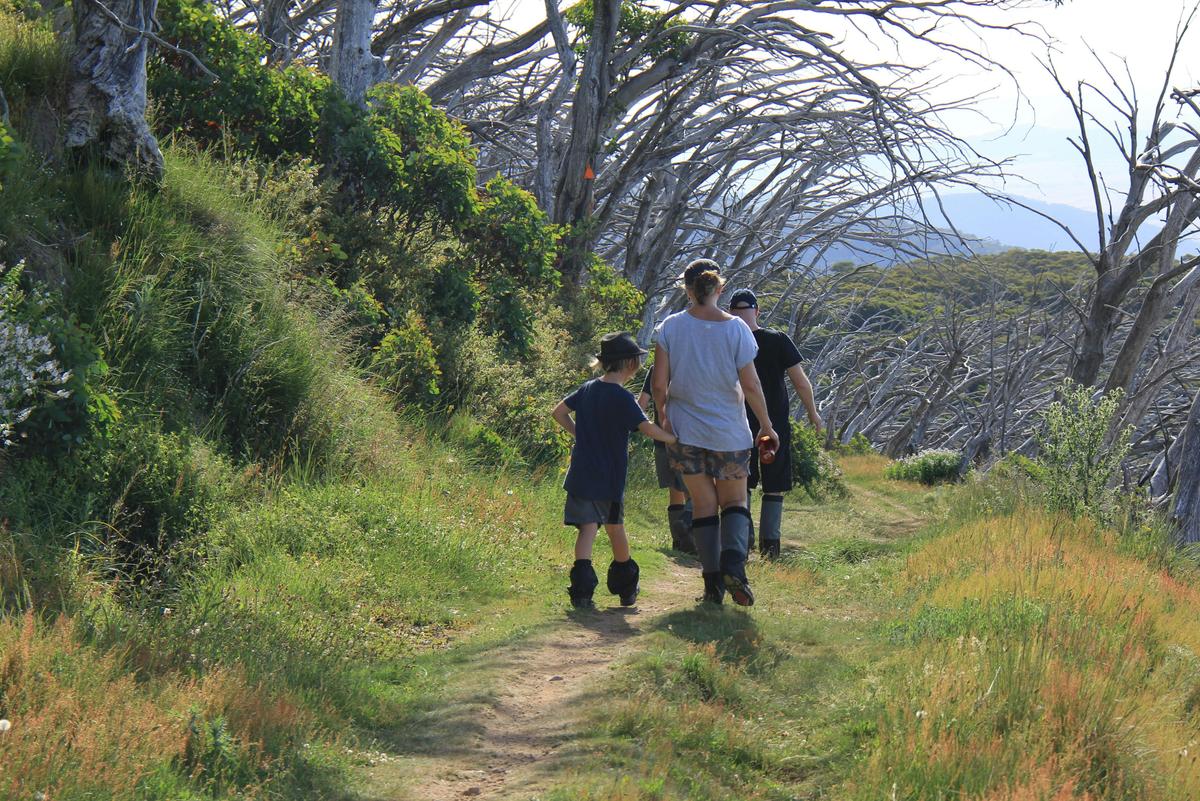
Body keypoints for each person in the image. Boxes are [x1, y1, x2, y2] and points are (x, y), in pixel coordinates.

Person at [651, 259, 778, 606]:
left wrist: (664, 418)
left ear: (687, 290)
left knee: (704, 505)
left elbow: (659, 383)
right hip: (729, 433)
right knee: (735, 502)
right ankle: (734, 566)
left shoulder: (671, 327)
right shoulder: (736, 329)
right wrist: (766, 425)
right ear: (719, 289)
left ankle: (711, 585)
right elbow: (750, 384)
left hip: (685, 431)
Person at [552, 332, 677, 609]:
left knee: (586, 531)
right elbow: (646, 429)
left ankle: (582, 592)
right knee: (615, 529)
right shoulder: (623, 398)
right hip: (608, 479)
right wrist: (673, 439)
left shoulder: (587, 389)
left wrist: (579, 435)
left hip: (582, 474)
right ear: (631, 364)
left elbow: (558, 412)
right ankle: (626, 586)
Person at [728, 289, 823, 560]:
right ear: (757, 311)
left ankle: (741, 544)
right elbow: (800, 381)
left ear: (731, 312)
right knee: (774, 484)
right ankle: (771, 549)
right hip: (775, 425)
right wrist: (813, 413)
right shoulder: (777, 340)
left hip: (736, 421)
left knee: (741, 482)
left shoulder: (728, 339)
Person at [637, 370, 695, 554]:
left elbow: (641, 405)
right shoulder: (690, 360)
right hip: (690, 438)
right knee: (694, 493)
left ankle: (678, 543)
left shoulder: (656, 369)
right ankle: (691, 540)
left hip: (662, 440)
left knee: (675, 491)